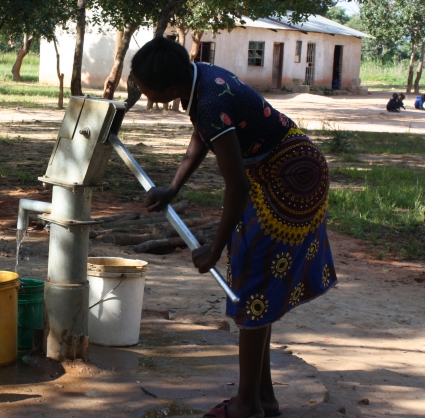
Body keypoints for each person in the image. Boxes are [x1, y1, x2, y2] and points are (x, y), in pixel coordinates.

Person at [130, 37, 337, 418]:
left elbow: (237, 186)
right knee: (257, 282)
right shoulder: (200, 78)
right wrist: (173, 187)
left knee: (252, 281)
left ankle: (246, 406)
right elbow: (202, 137)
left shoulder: (208, 102)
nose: (138, 90)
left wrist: (216, 248)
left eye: (144, 89)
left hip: (289, 177)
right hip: (287, 167)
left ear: (170, 90)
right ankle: (263, 397)